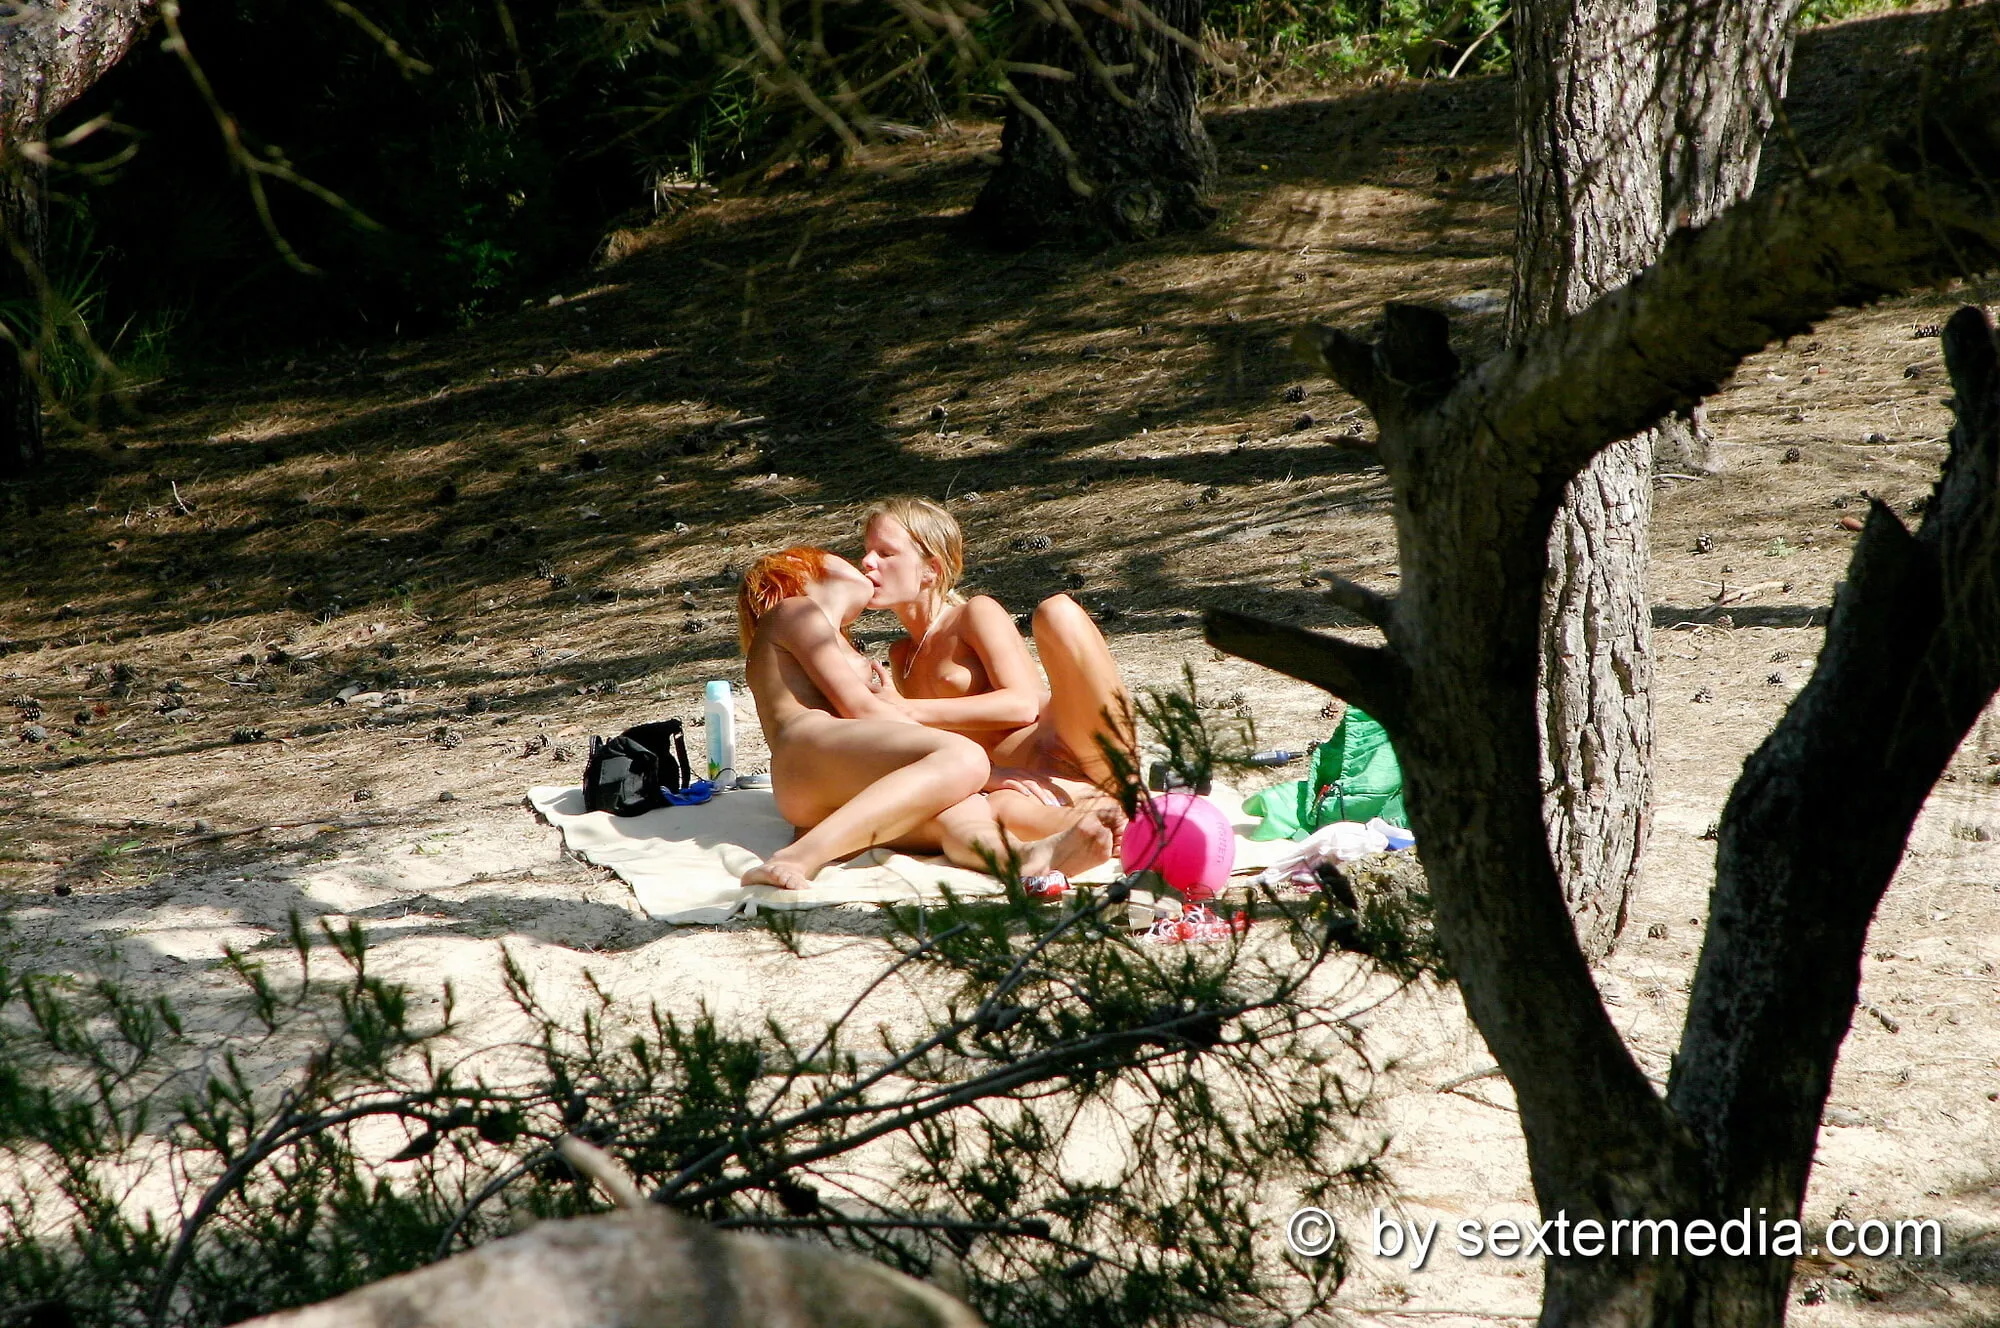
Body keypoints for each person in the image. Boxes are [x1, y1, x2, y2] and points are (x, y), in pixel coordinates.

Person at [735, 545, 1113, 890]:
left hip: (838, 784)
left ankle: (1021, 859)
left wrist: (974, 782)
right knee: (964, 759)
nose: (863, 563)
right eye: (839, 556)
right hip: (806, 754)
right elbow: (862, 711)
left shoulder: (837, 641)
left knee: (964, 814)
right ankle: (797, 858)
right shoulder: (794, 611)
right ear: (801, 566)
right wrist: (988, 772)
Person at [858, 498, 1138, 832]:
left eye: (885, 553)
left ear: (931, 569)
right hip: (1031, 780)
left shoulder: (973, 614)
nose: (866, 562)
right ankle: (1105, 821)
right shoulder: (901, 655)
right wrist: (992, 777)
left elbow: (1022, 705)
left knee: (1056, 612)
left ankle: (1131, 788)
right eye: (867, 551)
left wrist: (909, 710)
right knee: (990, 815)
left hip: (1076, 743)